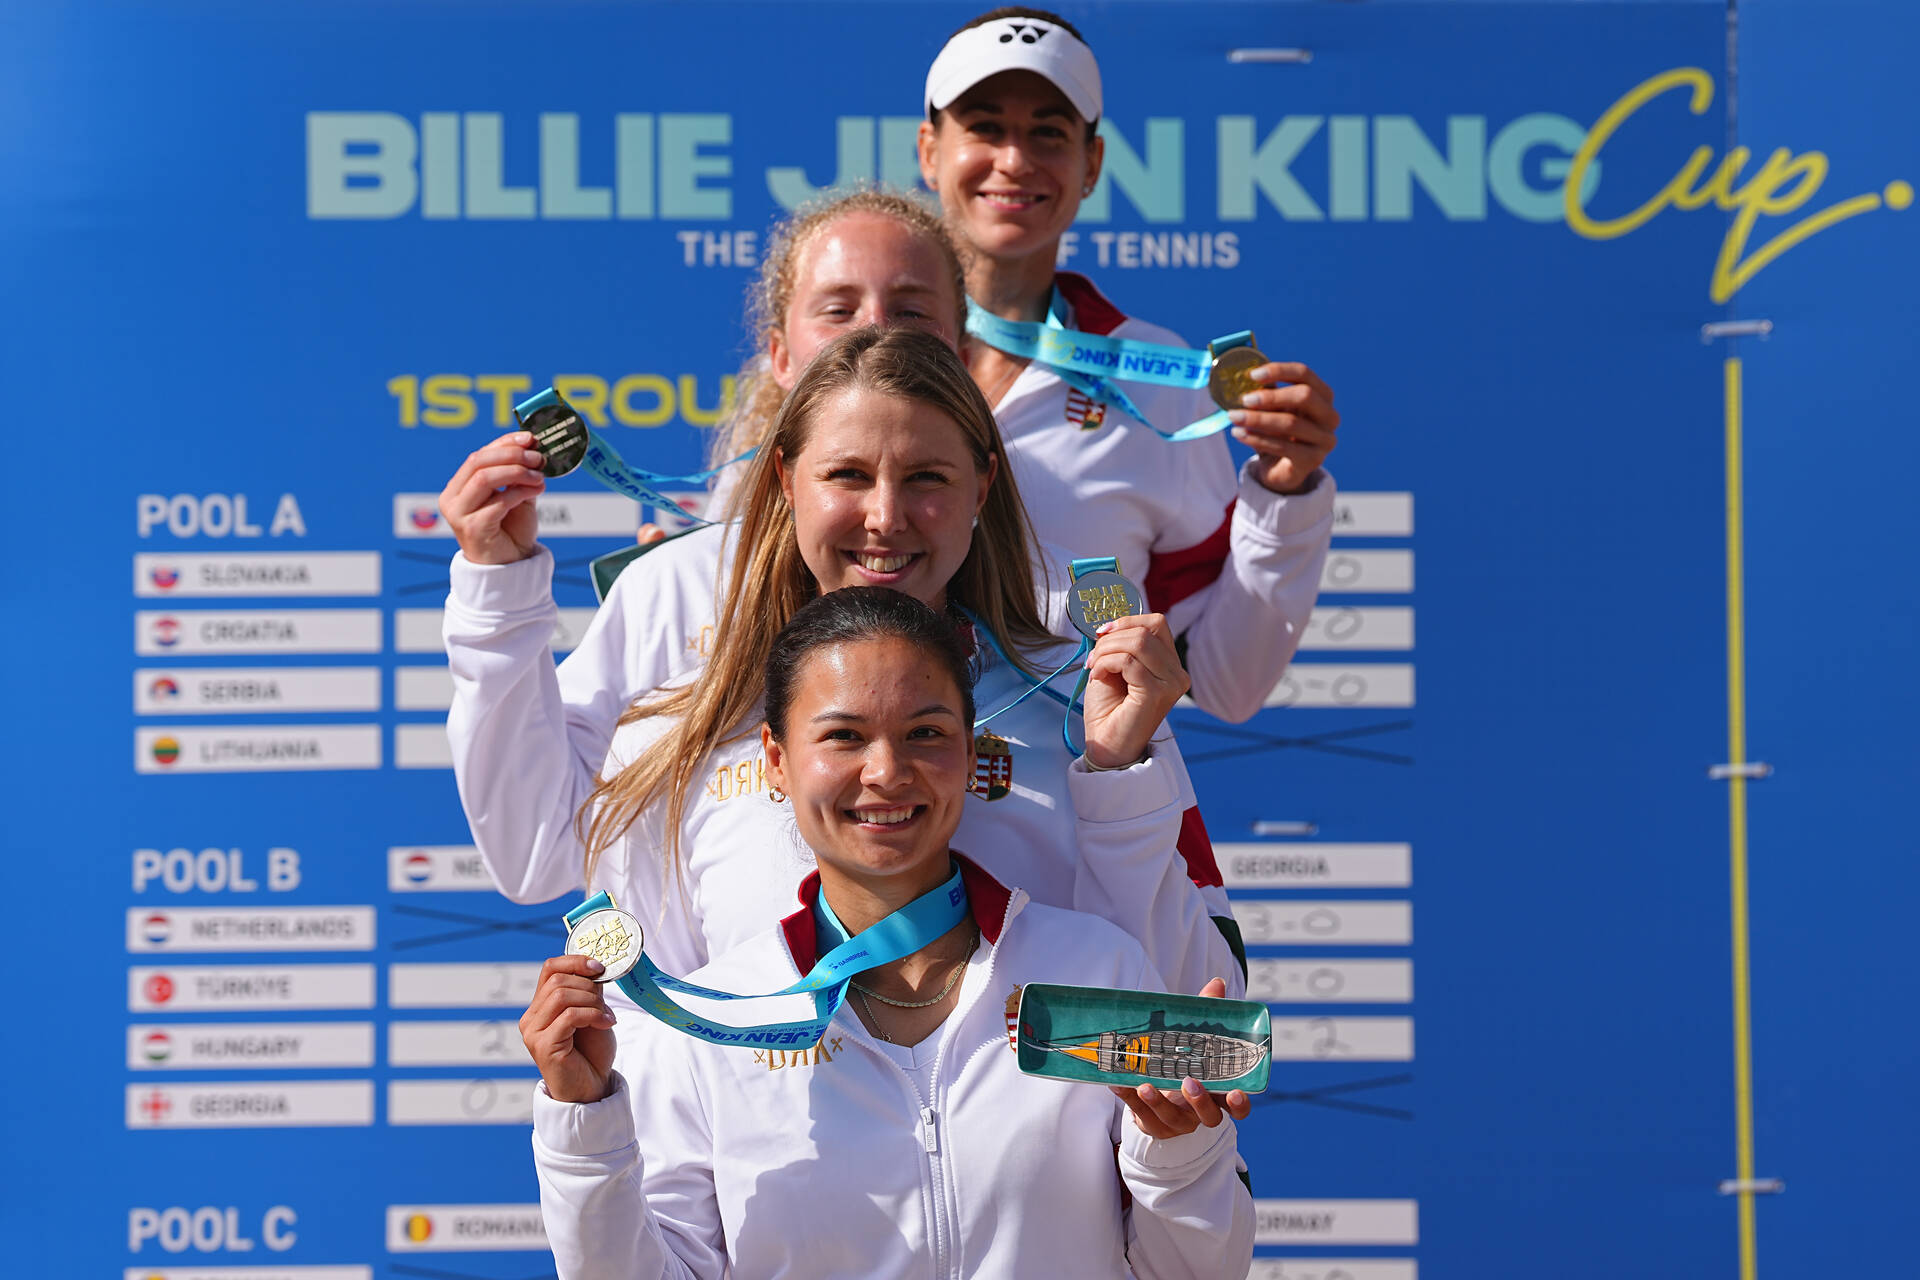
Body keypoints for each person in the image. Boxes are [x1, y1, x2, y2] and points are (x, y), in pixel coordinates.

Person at [442, 326, 1243, 999]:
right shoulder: (676, 732)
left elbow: (1199, 1000)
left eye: (928, 477)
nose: (886, 518)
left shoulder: (1088, 709)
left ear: (982, 484)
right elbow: (656, 1058)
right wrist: (494, 606)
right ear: (788, 479)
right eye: (848, 476)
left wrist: (1116, 775)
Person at [521, 586, 1255, 1279]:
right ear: (776, 761)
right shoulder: (710, 1022)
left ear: (971, 754)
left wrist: (1179, 1154)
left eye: (925, 733)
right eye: (843, 736)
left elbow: (1196, 1269)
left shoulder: (1096, 969)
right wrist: (585, 1127)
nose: (887, 771)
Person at [699, 167, 1336, 723]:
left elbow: (1225, 682)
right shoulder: (721, 525)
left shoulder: (1061, 593)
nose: (876, 332)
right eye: (838, 310)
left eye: (911, 312)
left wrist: (1286, 499)